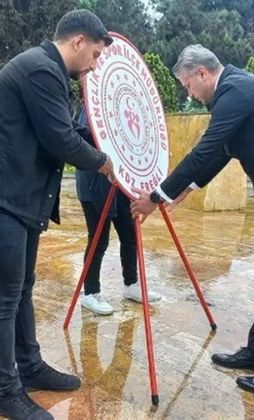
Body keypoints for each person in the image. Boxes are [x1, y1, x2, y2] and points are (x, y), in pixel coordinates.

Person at [130, 44, 254, 399]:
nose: (189, 95)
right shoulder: (233, 91)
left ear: (202, 73)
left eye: (188, 86)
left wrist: (157, 195)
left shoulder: (235, 91)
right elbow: (224, 152)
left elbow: (207, 148)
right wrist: (189, 186)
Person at [0, 10, 115, 419]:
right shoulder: (40, 69)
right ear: (79, 41)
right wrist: (104, 162)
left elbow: (62, 132)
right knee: (5, 297)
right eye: (96, 55)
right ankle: (5, 389)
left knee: (21, 290)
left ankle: (29, 367)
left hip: (20, 200)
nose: (95, 64)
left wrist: (106, 139)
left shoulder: (46, 71)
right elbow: (61, 140)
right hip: (6, 198)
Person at [75, 110, 162, 315]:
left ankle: (131, 285)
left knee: (130, 236)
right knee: (98, 240)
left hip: (121, 186)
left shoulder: (118, 109)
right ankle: (91, 293)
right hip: (94, 185)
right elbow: (84, 143)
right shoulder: (91, 109)